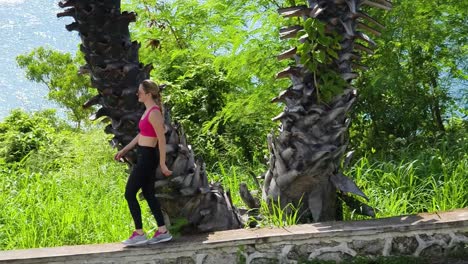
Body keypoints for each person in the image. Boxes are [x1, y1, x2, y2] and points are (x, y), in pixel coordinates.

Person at [114, 79, 173, 246]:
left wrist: (162, 164)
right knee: (148, 194)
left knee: (130, 193)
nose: (137, 94)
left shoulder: (154, 112)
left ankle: (139, 233)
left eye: (139, 92)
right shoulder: (148, 111)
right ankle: (162, 230)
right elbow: (141, 135)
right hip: (143, 155)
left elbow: (161, 140)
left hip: (147, 158)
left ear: (148, 94)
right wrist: (124, 150)